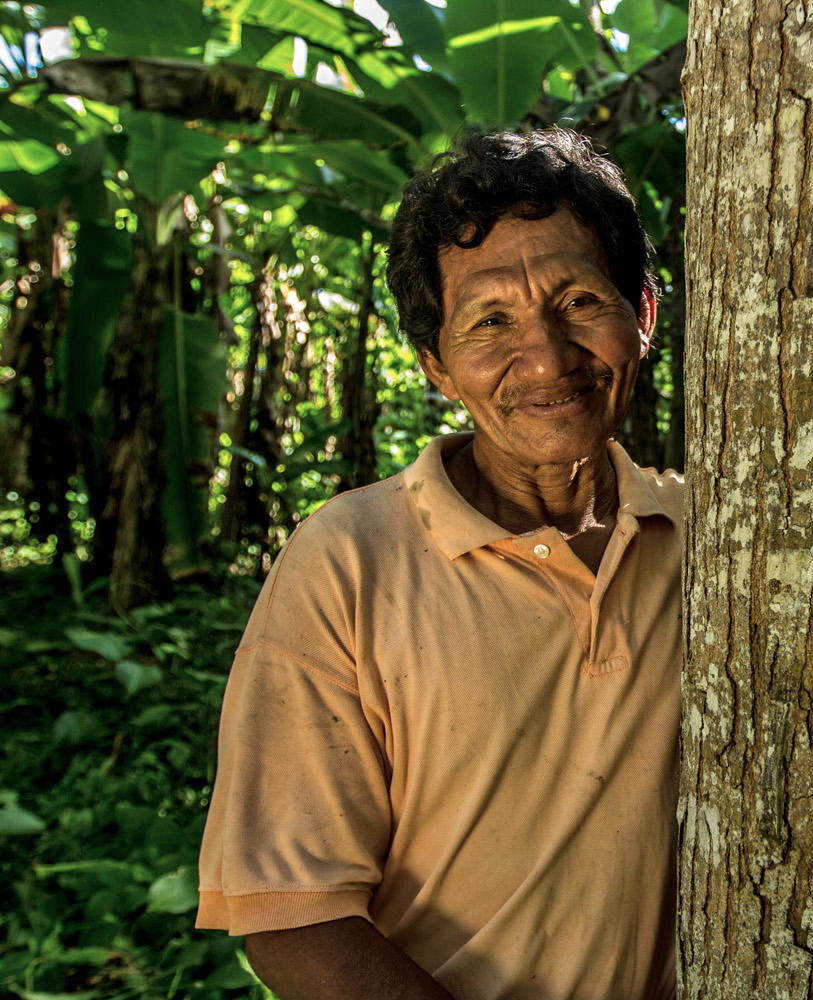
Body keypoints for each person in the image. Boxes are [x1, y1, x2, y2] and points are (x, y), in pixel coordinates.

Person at [195, 127, 681, 1000]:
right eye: (490, 322)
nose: (546, 358)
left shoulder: (715, 540)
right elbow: (293, 918)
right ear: (436, 367)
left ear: (641, 315)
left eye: (577, 301)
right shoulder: (347, 563)